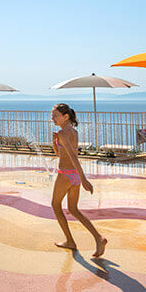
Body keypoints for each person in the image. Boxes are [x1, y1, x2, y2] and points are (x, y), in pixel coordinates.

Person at [50, 103, 107, 257]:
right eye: (52, 116)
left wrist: (85, 179)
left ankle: (70, 241)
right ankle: (98, 238)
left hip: (66, 174)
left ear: (65, 116)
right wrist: (55, 142)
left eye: (56, 115)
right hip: (73, 175)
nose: (53, 118)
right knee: (73, 209)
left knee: (55, 205)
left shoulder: (63, 133)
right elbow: (60, 154)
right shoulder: (73, 132)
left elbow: (73, 157)